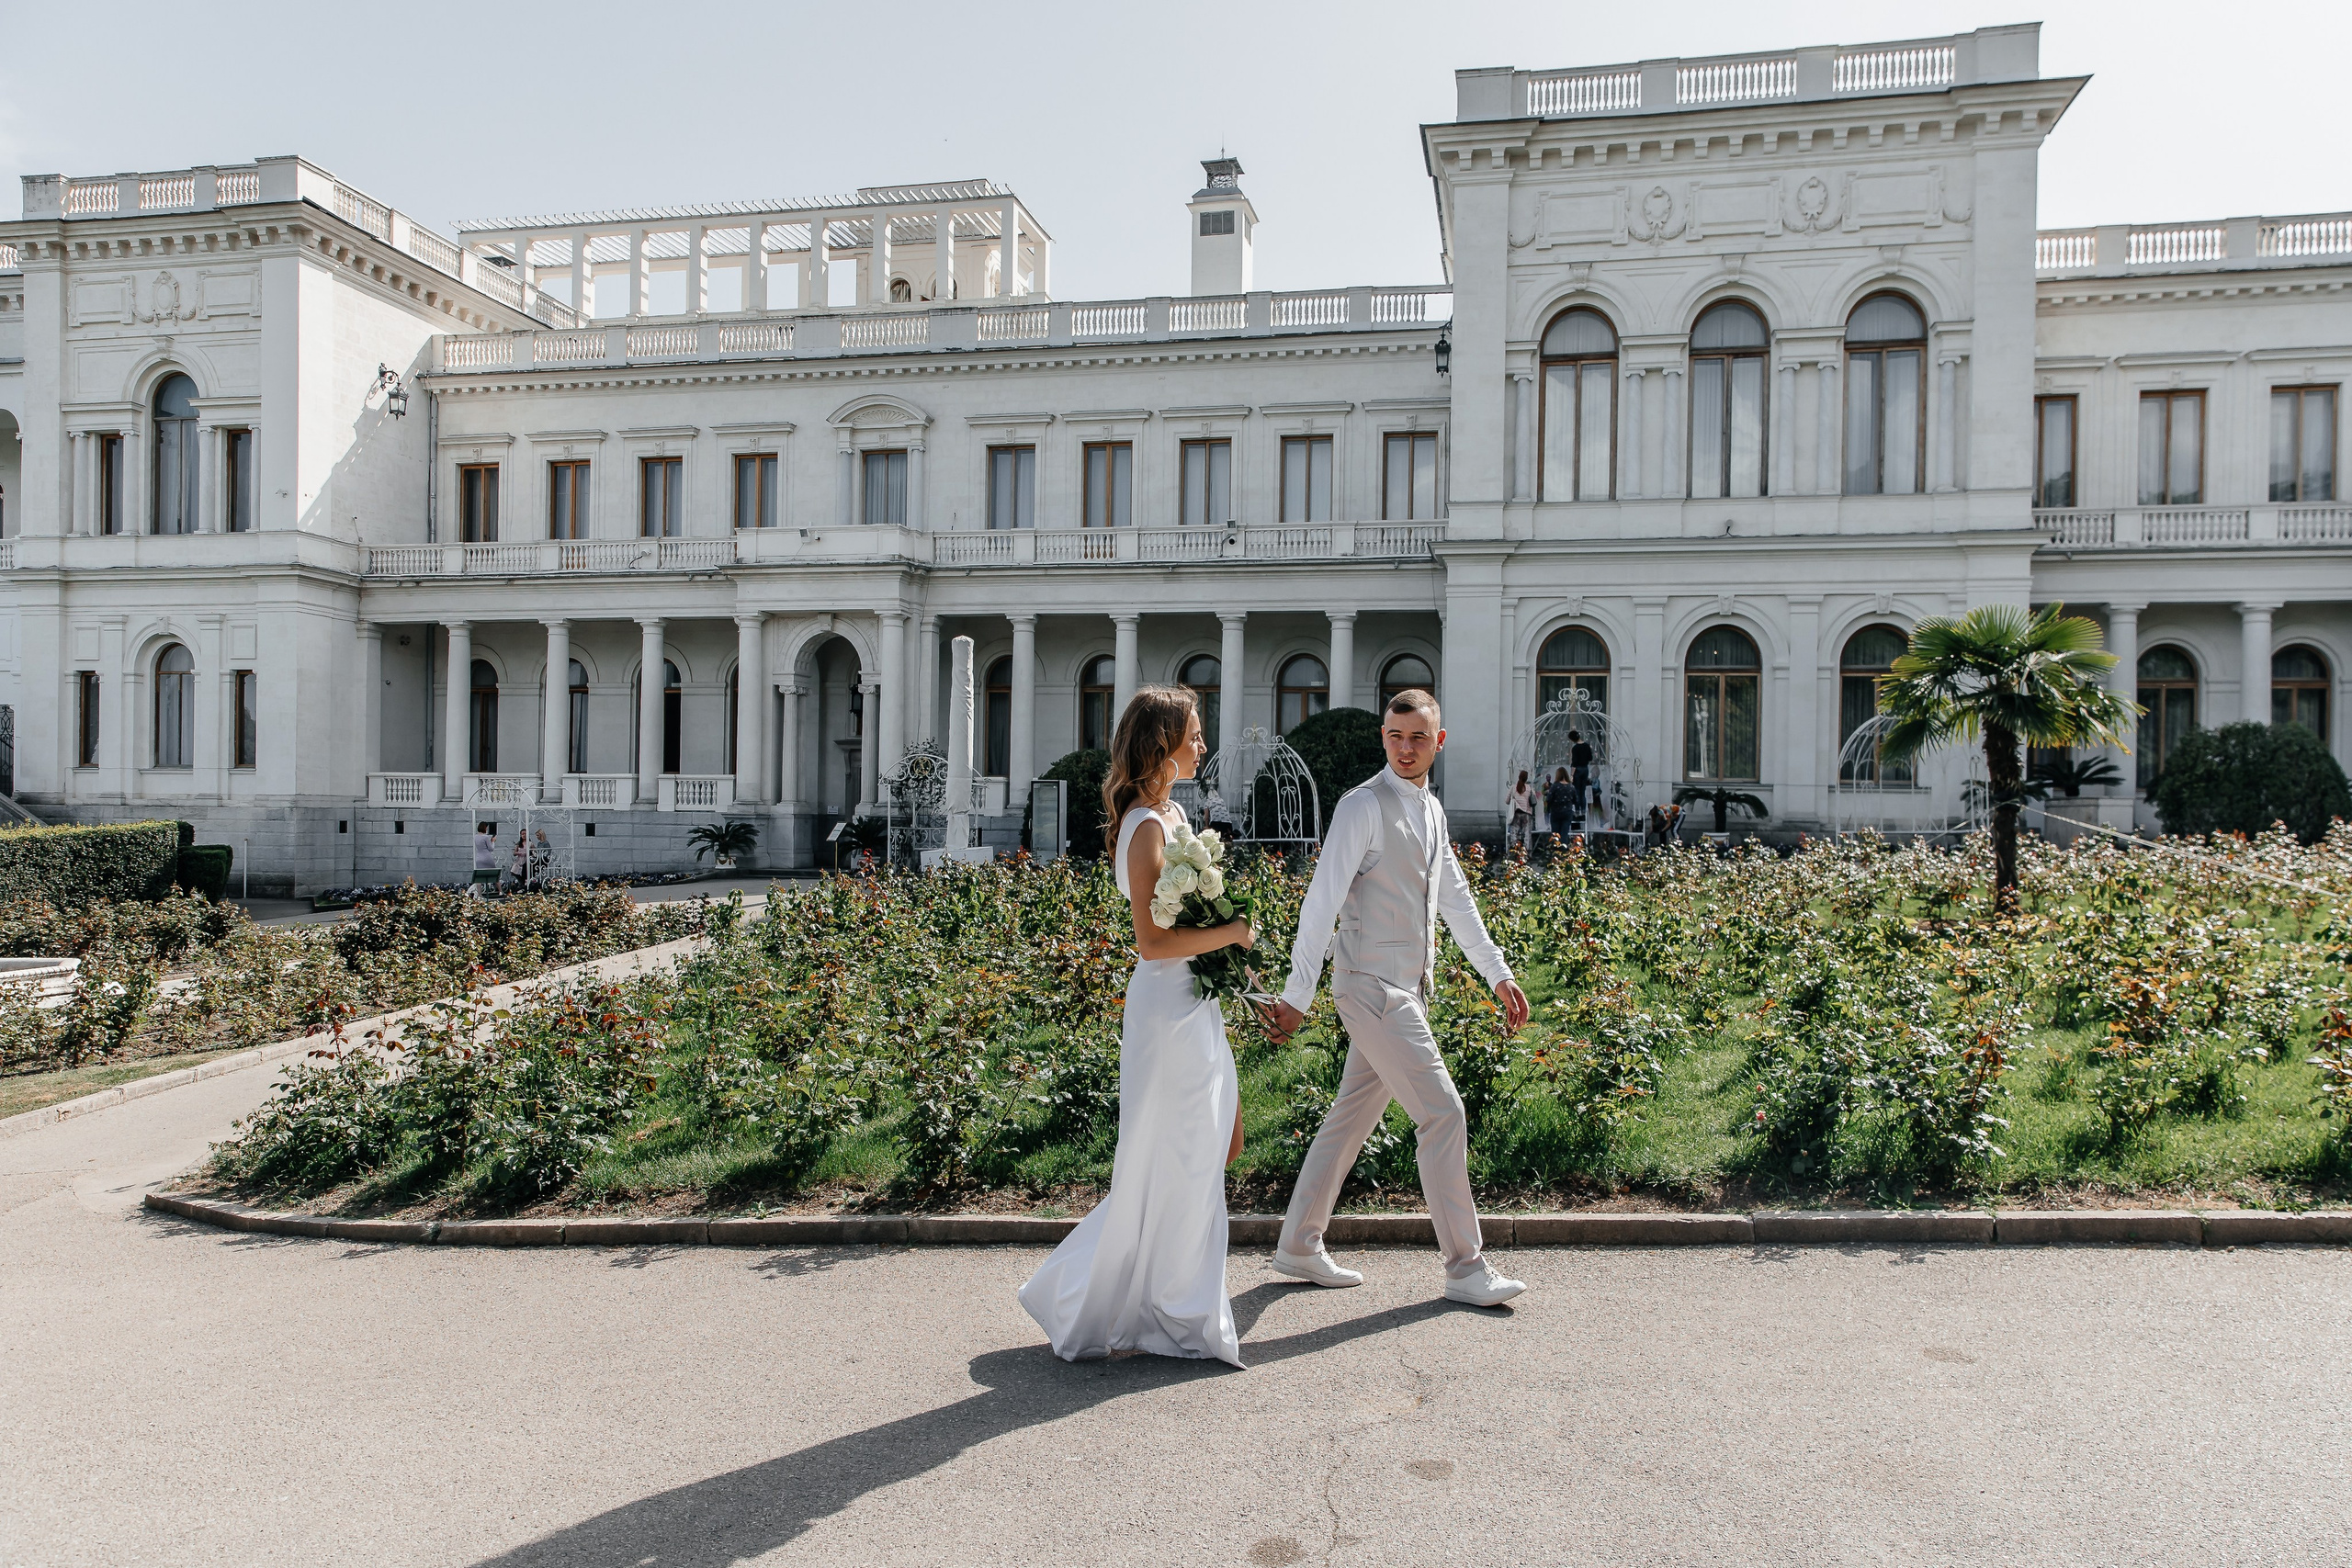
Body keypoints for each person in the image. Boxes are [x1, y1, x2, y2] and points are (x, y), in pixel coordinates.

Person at [1261, 690, 1532, 1308]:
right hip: (1372, 989)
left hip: (1402, 991)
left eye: (1417, 738)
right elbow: (1320, 900)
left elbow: (1456, 901)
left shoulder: (1430, 810)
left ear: (1438, 741)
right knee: (1444, 1114)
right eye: (1394, 736)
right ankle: (1465, 1266)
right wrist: (1296, 994)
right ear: (1383, 737)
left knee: (1350, 1116)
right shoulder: (1363, 805)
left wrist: (1499, 973)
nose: (1405, 748)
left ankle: (1300, 1242)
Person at [1020, 686, 1255, 1367]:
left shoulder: (1173, 811)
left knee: (1215, 1144)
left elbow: (1184, 922)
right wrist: (1230, 933)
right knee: (1180, 1152)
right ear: (1162, 741)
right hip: (1164, 1003)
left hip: (1193, 1002)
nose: (1203, 744)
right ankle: (1166, 1309)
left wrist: (1222, 940)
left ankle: (1160, 1296)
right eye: (1194, 733)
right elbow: (1152, 941)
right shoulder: (1146, 826)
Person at [1569, 730, 1596, 828]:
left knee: (1576, 791)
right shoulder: (1587, 746)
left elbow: (1574, 762)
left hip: (1578, 770)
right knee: (1583, 791)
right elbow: (1590, 758)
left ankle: (1577, 812)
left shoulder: (1575, 748)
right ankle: (1583, 812)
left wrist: (1572, 774)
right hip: (1585, 769)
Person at [1544, 767, 1577, 846]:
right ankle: (1564, 851)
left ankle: (1556, 852)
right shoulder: (1571, 787)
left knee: (1555, 834)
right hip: (1567, 813)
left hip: (1556, 812)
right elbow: (1575, 800)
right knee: (1564, 833)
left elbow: (1548, 799)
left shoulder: (1555, 786)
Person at [1507, 771, 1535, 858]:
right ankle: (1527, 853)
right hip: (1527, 814)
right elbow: (1534, 801)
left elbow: (1507, 801)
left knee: (1514, 832)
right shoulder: (1529, 788)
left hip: (1516, 813)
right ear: (1526, 779)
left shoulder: (1513, 787)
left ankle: (1514, 851)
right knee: (1527, 834)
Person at [469, 824, 499, 898]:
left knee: (479, 877)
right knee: (495, 874)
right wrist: (493, 841)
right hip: (487, 857)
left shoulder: (475, 836)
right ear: (484, 828)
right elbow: (491, 849)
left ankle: (479, 894)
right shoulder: (486, 837)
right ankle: (500, 891)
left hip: (479, 858)